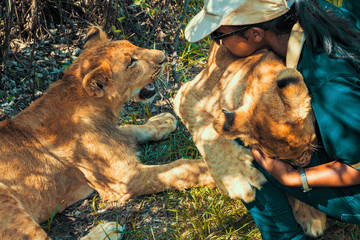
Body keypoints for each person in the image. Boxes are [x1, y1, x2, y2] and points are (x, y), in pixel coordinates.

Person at [184, 0, 360, 239]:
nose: (218, 44)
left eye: (219, 35)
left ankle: (285, 235)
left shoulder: (327, 85)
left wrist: (294, 178)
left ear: (256, 34)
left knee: (238, 137)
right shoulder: (312, 12)